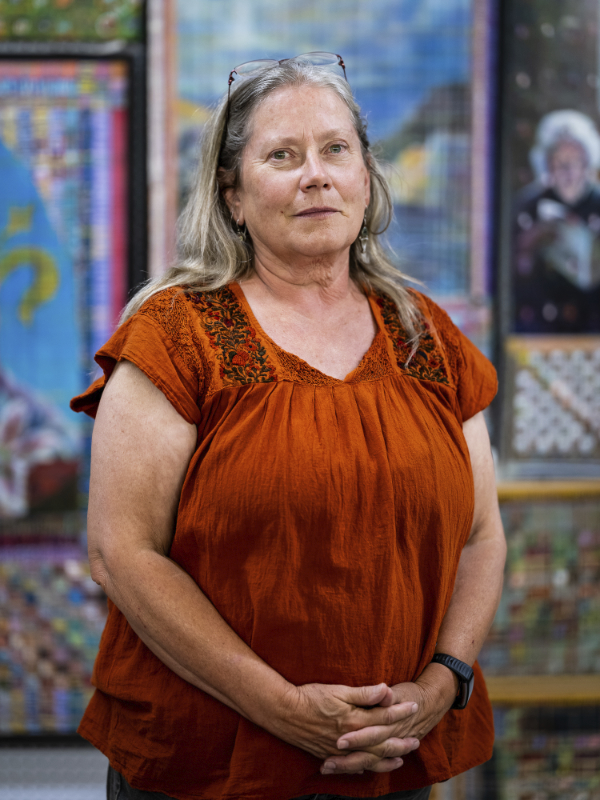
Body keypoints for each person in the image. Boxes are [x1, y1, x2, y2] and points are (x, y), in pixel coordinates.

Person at [71, 53, 506, 800]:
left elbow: (482, 534)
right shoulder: (175, 334)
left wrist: (445, 681)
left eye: (337, 149)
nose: (317, 174)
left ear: (366, 177)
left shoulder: (426, 336)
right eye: (283, 155)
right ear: (233, 196)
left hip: (388, 761)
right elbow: (123, 553)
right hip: (210, 768)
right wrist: (283, 709)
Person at [514, 109, 600, 332]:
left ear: (587, 164)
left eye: (575, 162)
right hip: (539, 324)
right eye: (560, 163)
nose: (568, 172)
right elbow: (515, 268)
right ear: (547, 165)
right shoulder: (527, 205)